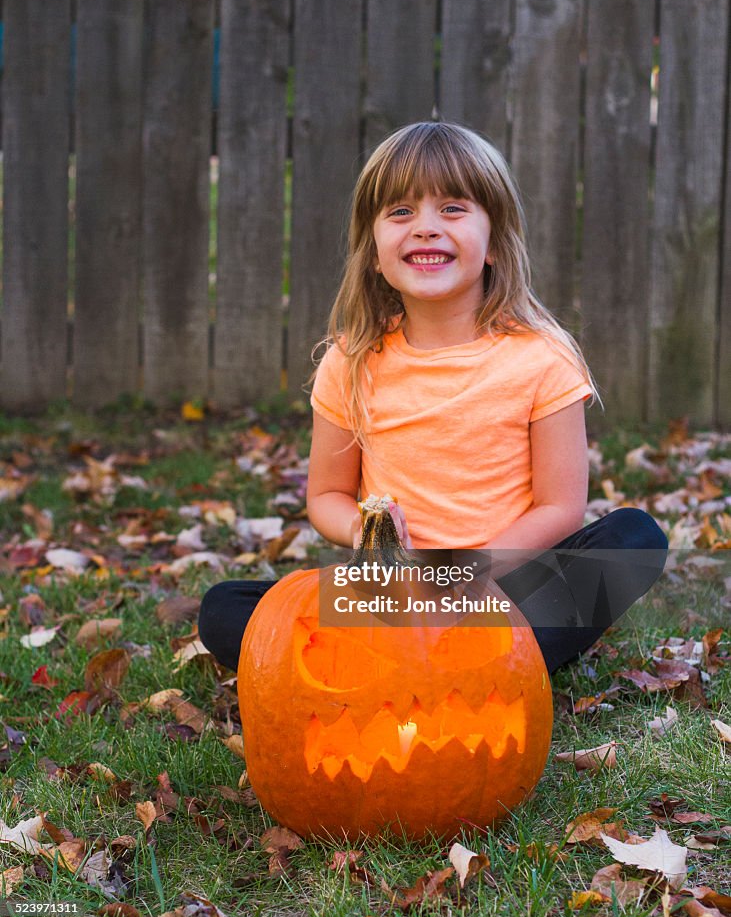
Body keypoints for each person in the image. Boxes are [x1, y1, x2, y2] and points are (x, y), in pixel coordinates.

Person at [199, 121, 667, 674]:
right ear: (374, 252)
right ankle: (452, 664)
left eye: (452, 209)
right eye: (400, 212)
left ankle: (437, 661)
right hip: (393, 594)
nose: (424, 228)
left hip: (504, 589)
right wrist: (366, 534)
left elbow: (560, 507)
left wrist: (466, 578)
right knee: (225, 608)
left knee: (634, 538)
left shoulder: (542, 358)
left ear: (493, 243)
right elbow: (326, 495)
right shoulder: (352, 361)